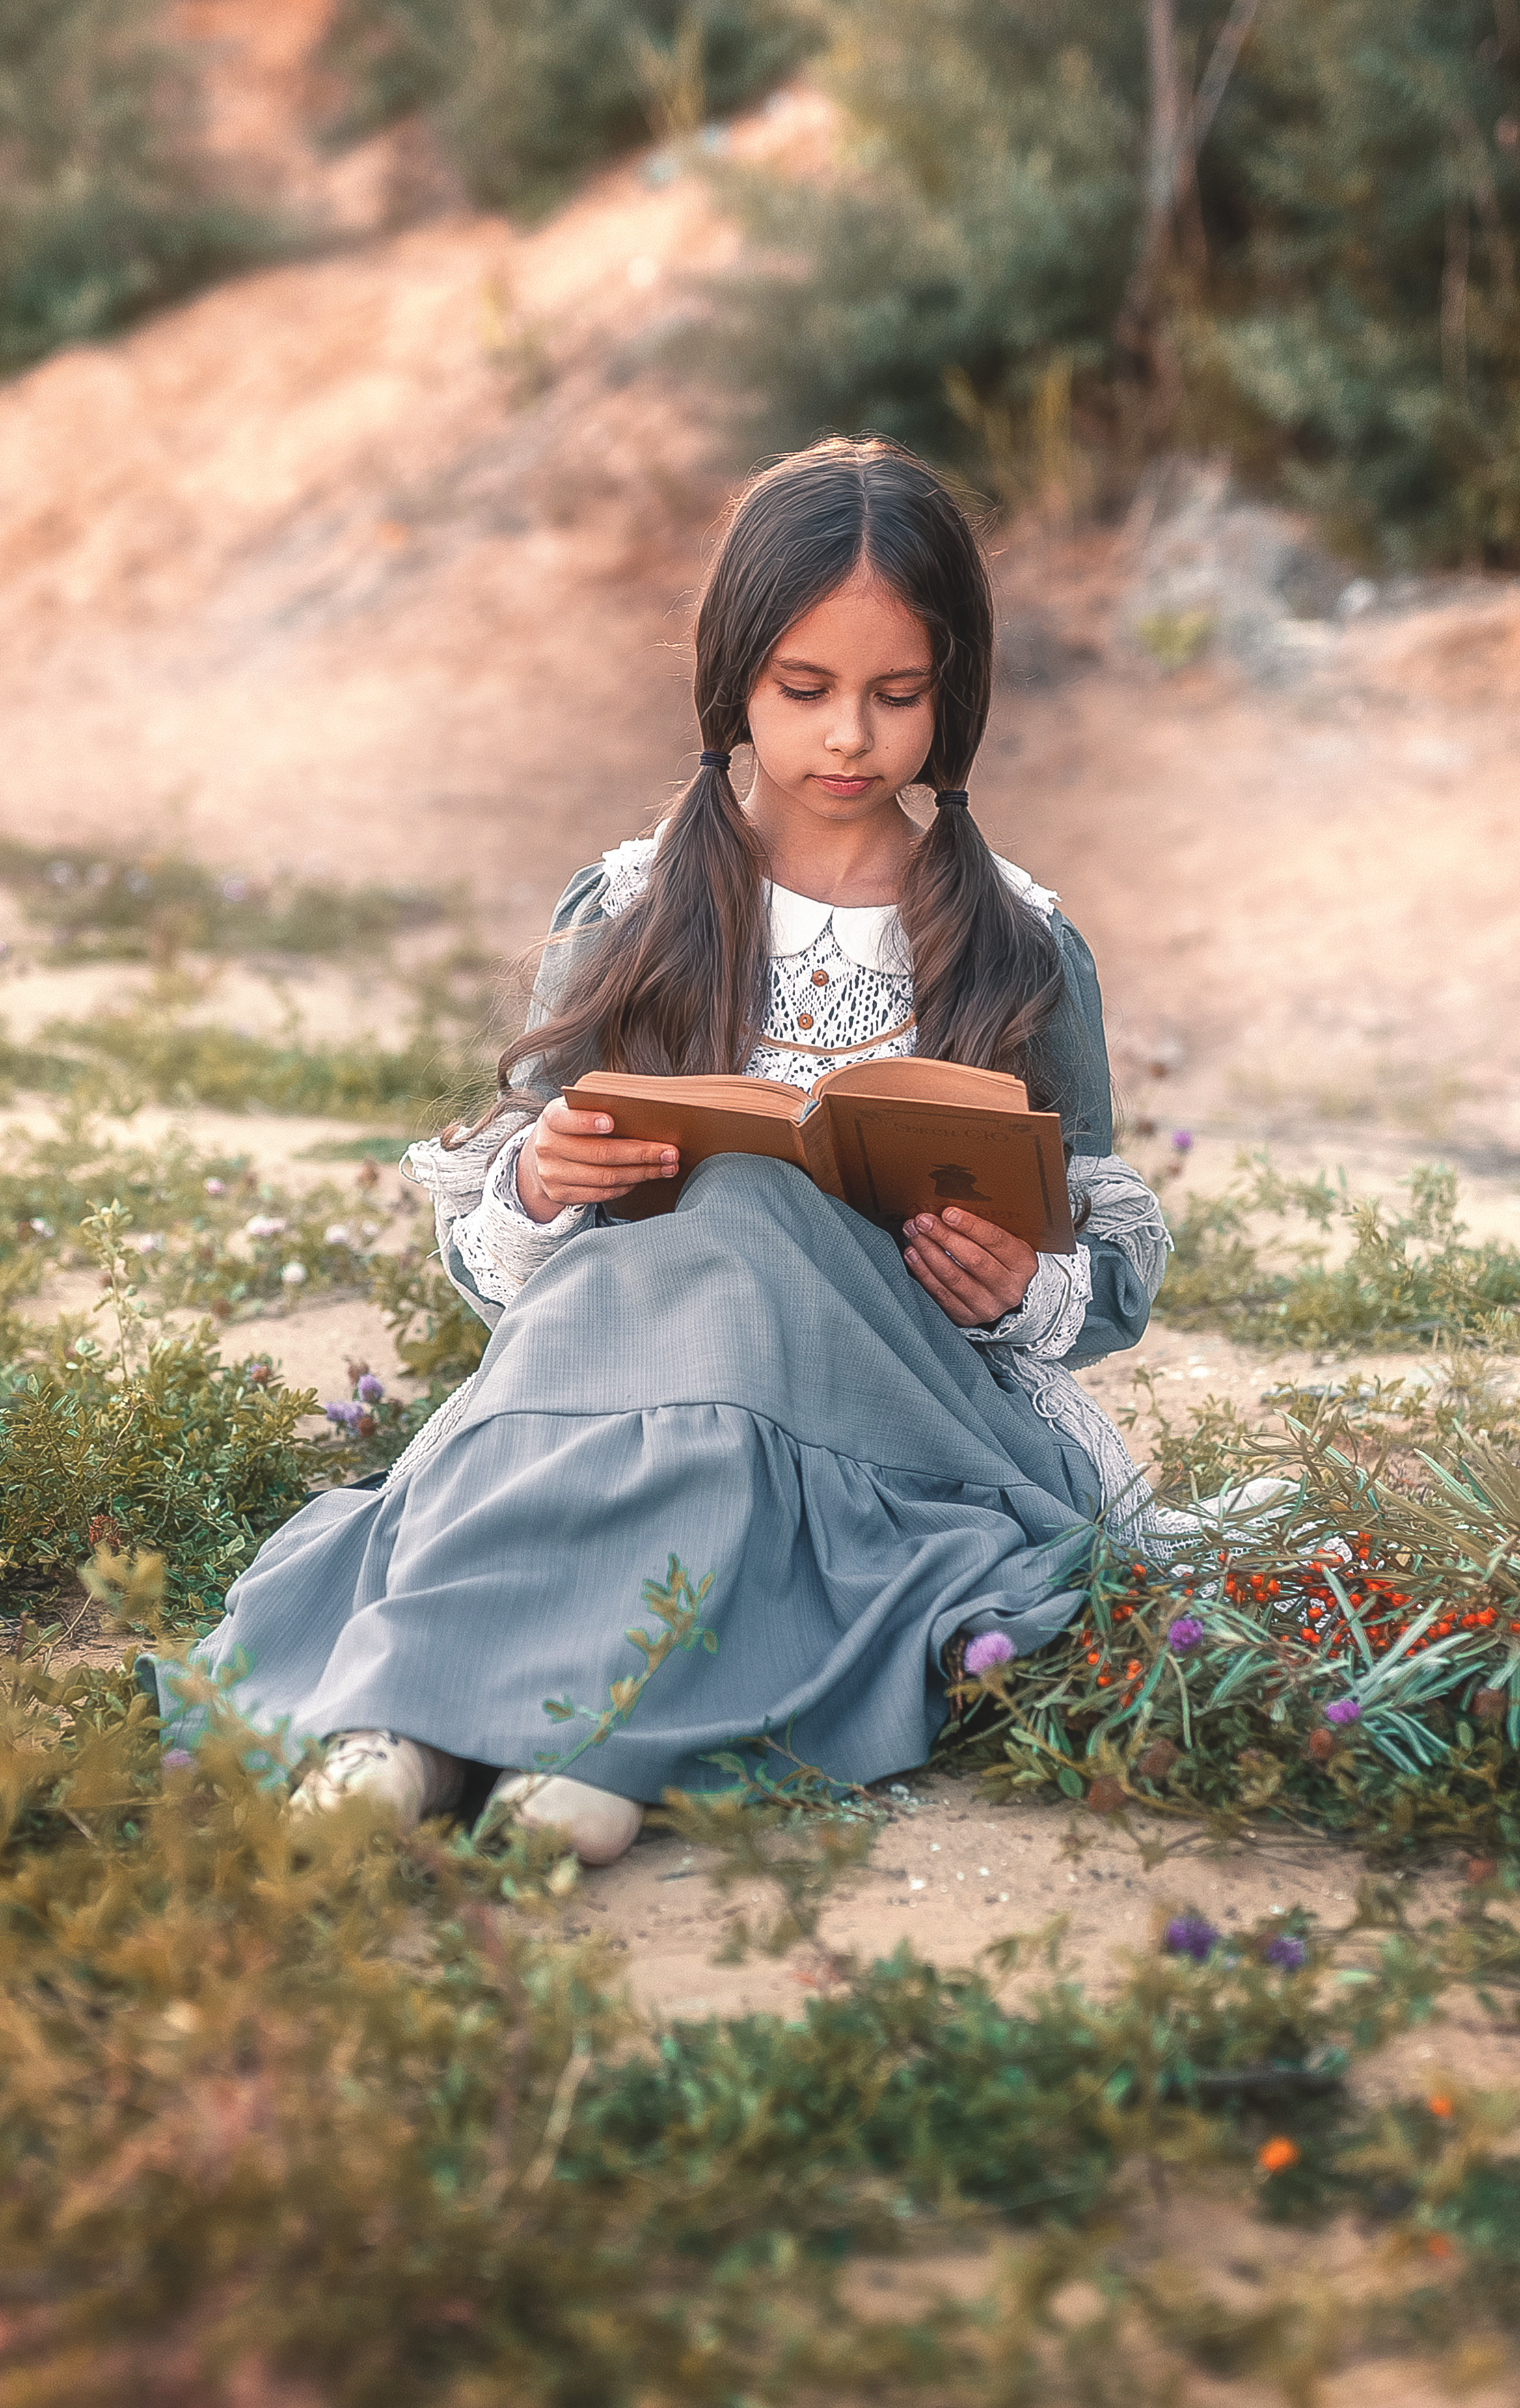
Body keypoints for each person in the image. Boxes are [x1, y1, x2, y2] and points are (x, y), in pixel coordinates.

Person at [147, 435, 1190, 1866]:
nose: (846, 740)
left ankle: (584, 1727)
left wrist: (1018, 1280)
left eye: (896, 696)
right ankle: (422, 1721)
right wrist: (540, 1178)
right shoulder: (632, 901)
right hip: (623, 1362)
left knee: (757, 1209)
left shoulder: (1017, 934)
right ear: (732, 683)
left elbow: (1111, 1254)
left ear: (955, 694)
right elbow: (499, 1252)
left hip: (900, 1401)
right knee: (669, 1267)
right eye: (802, 691)